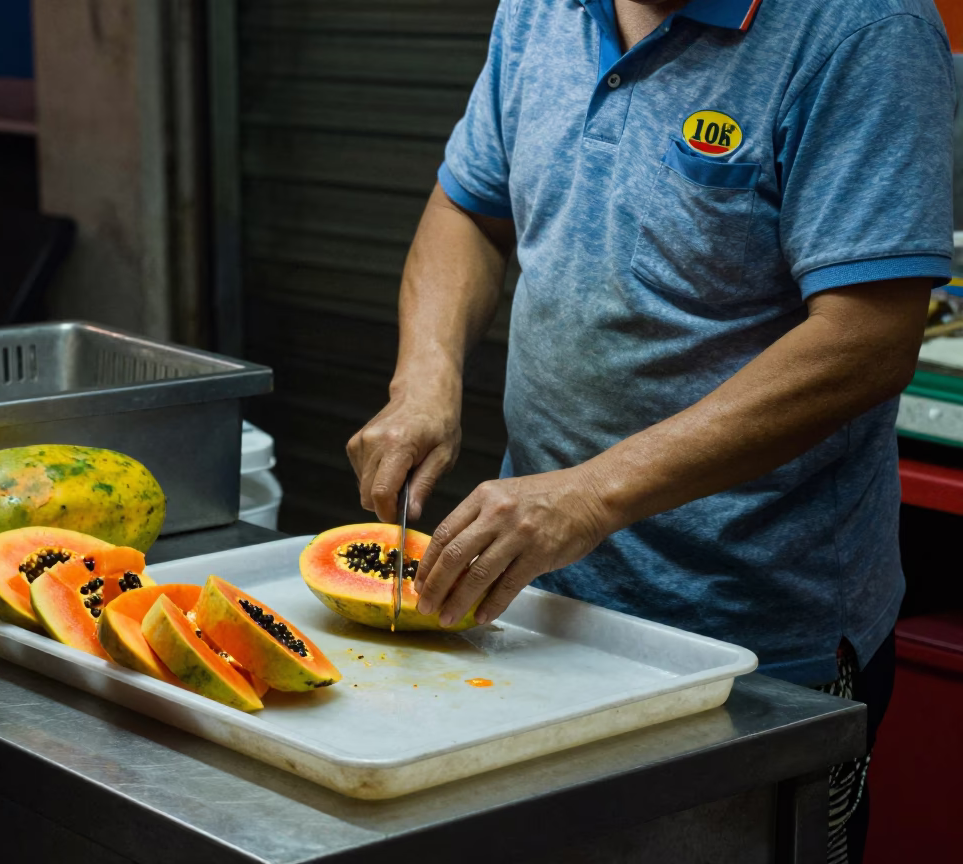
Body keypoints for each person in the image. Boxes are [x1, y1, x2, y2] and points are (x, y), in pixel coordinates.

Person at [345, 1, 955, 861]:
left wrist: (591, 493)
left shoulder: (864, 28)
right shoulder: (540, 10)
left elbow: (868, 337)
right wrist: (425, 378)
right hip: (534, 611)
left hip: (754, 642)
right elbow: (470, 210)